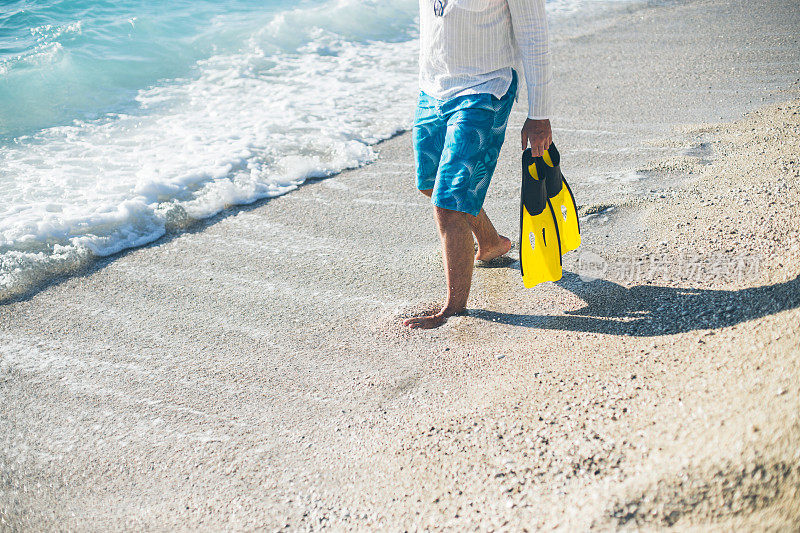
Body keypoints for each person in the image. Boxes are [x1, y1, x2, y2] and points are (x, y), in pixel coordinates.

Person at [403, 0, 553, 329]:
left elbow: (535, 35)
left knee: (449, 203)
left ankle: (453, 309)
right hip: (433, 88)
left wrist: (539, 114)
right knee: (429, 183)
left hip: (486, 87)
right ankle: (491, 243)